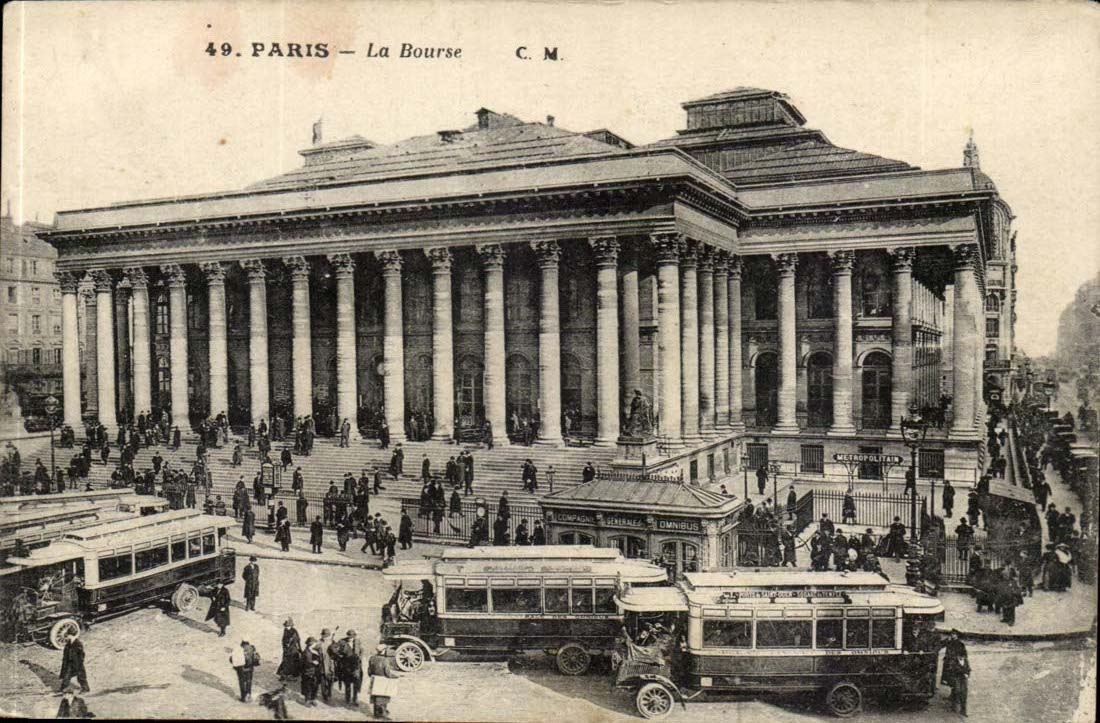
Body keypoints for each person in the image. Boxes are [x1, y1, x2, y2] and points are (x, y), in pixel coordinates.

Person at [367, 644, 401, 720]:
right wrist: (395, 676)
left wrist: (373, 676)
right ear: (383, 651)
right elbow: (387, 673)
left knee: (375, 697)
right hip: (383, 680)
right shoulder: (385, 660)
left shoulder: (372, 658)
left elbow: (369, 671)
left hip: (374, 678)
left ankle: (376, 714)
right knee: (383, 698)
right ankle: (383, 715)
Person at [941, 630, 971, 716]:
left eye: (954, 634)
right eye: (952, 634)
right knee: (949, 680)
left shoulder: (960, 644)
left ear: (957, 635)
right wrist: (947, 640)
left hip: (956, 663)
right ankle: (953, 696)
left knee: (956, 682)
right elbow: (941, 645)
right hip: (949, 663)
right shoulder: (949, 642)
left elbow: (964, 655)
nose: (953, 636)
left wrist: (960, 659)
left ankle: (954, 698)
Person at [334, 629, 364, 705]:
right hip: (346, 665)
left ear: (354, 636)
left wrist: (360, 658)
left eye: (352, 636)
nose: (350, 637)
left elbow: (362, 650)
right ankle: (347, 698)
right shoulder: (342, 641)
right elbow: (333, 647)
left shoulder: (358, 641)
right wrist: (338, 655)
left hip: (356, 665)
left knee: (356, 682)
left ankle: (355, 699)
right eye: (349, 636)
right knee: (347, 682)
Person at [300, 636, 323, 706]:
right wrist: (312, 662)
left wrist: (318, 661)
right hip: (308, 671)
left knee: (315, 686)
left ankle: (313, 699)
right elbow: (303, 662)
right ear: (310, 644)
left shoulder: (316, 650)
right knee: (308, 686)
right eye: (313, 643)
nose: (315, 644)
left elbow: (320, 659)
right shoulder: (305, 652)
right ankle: (307, 700)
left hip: (316, 671)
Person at [319, 628, 337, 703]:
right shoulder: (319, 642)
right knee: (323, 680)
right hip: (322, 663)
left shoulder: (333, 642)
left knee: (330, 680)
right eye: (324, 635)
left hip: (330, 663)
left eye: (326, 635)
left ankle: (329, 693)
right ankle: (324, 695)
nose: (325, 637)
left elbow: (336, 652)